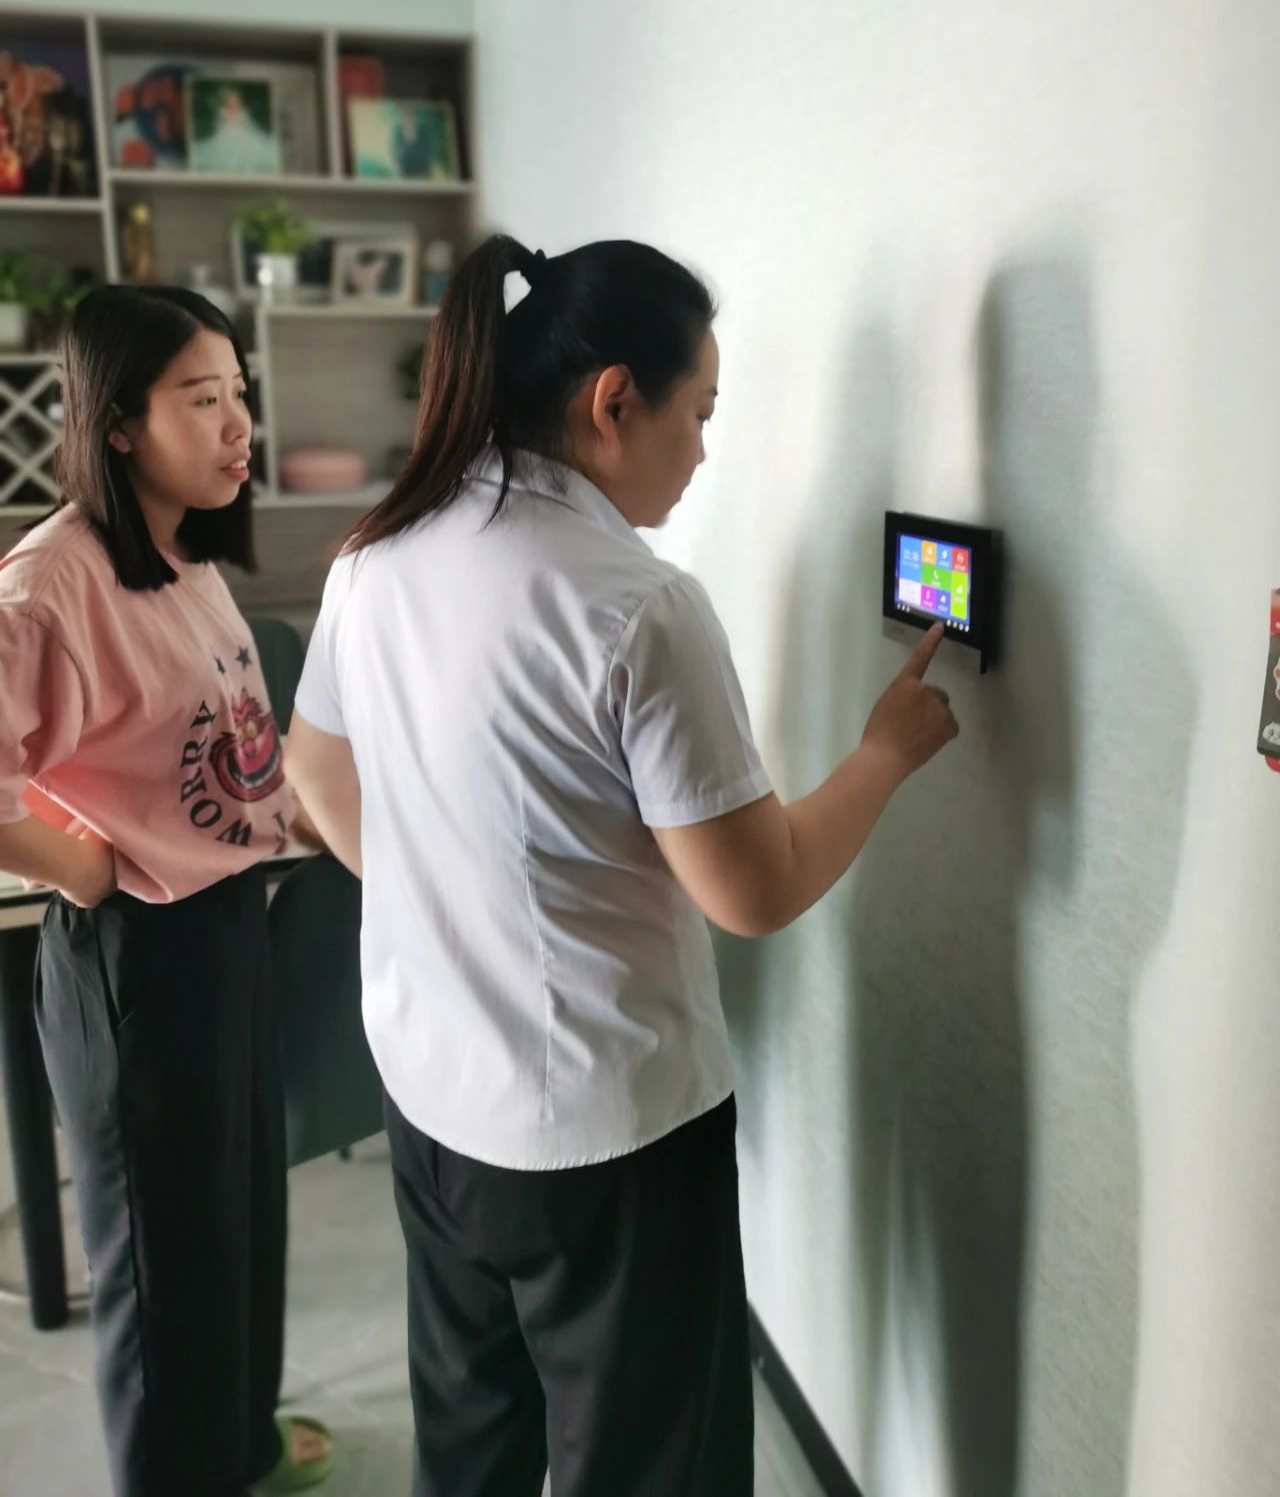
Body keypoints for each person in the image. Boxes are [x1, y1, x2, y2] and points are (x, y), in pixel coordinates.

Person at [284, 235, 958, 1497]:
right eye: (697, 411)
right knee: (651, 1465)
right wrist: (882, 752)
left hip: (431, 1100)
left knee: (471, 1442)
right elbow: (752, 888)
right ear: (611, 402)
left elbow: (314, 772)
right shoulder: (637, 604)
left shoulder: (376, 553)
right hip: (604, 1138)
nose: (700, 449)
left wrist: (452, 910)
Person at [0, 285, 332, 1497]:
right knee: (162, 1269)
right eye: (201, 399)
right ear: (119, 422)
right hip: (136, 953)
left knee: (236, 1223)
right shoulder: (52, 582)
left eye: (239, 391)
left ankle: (238, 1448)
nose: (238, 423)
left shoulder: (178, 546)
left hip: (227, 926)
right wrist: (76, 861)